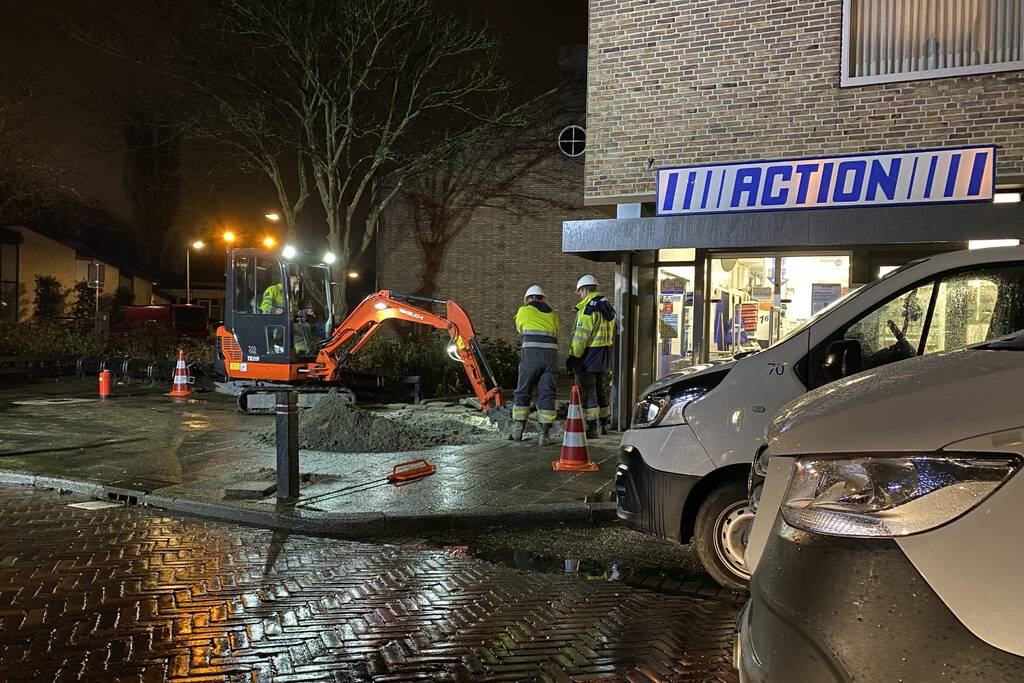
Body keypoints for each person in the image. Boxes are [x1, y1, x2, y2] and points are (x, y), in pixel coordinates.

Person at [566, 274, 616, 438]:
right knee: (602, 389)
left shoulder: (588, 308)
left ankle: (591, 427)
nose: (580, 295)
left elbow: (581, 336)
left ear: (585, 290)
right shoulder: (606, 306)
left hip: (588, 355)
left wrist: (573, 357)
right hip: (605, 354)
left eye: (580, 292)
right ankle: (604, 424)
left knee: (588, 391)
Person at [511, 285, 560, 446]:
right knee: (547, 393)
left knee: (523, 390)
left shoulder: (523, 310)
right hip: (551, 357)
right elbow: (556, 331)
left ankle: (517, 431)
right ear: (542, 299)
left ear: (527, 299)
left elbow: (520, 329)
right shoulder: (553, 314)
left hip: (531, 355)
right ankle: (544, 436)